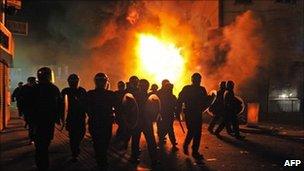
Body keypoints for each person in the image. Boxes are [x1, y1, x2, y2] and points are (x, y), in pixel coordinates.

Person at [30, 67, 63, 170]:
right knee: (44, 145)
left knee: (40, 146)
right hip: (48, 122)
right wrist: (59, 118)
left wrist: (29, 120)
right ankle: (43, 165)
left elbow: (28, 105)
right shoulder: (54, 89)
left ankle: (41, 164)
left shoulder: (34, 88)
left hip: (37, 122)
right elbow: (60, 105)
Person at [86, 73, 117, 169]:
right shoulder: (110, 94)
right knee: (104, 142)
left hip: (95, 122)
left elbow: (86, 108)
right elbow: (118, 108)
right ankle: (102, 161)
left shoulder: (90, 94)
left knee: (97, 142)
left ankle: (100, 160)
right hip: (105, 123)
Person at [177, 73, 210, 160]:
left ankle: (195, 151)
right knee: (192, 131)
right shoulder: (187, 88)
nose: (198, 81)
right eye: (197, 79)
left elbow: (205, 101)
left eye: (199, 79)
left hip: (197, 113)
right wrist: (178, 111)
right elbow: (180, 100)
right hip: (190, 113)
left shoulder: (201, 89)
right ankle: (186, 145)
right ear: (192, 80)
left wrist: (209, 99)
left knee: (197, 133)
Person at [130, 79, 159, 166]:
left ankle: (136, 158)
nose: (143, 87)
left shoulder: (147, 96)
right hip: (142, 121)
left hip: (143, 121)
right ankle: (153, 160)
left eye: (144, 86)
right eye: (142, 85)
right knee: (148, 141)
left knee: (140, 141)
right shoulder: (140, 96)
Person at [61, 74, 87, 162]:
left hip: (80, 117)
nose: (73, 83)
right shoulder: (65, 91)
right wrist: (61, 118)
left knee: (81, 134)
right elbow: (61, 105)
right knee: (73, 137)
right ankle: (74, 153)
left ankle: (76, 147)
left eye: (75, 81)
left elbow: (86, 103)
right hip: (71, 118)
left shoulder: (82, 90)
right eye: (72, 81)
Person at [157, 83, 178, 151]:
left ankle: (172, 143)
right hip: (164, 114)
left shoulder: (171, 96)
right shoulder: (163, 96)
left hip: (168, 115)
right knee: (167, 129)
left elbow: (175, 105)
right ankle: (172, 143)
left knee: (168, 129)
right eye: (169, 88)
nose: (170, 89)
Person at [19, 77, 37, 144]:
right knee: (32, 125)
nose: (34, 82)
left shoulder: (37, 87)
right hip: (28, 109)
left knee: (33, 125)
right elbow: (21, 98)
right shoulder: (25, 88)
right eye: (32, 81)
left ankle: (33, 138)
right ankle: (32, 138)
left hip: (34, 109)